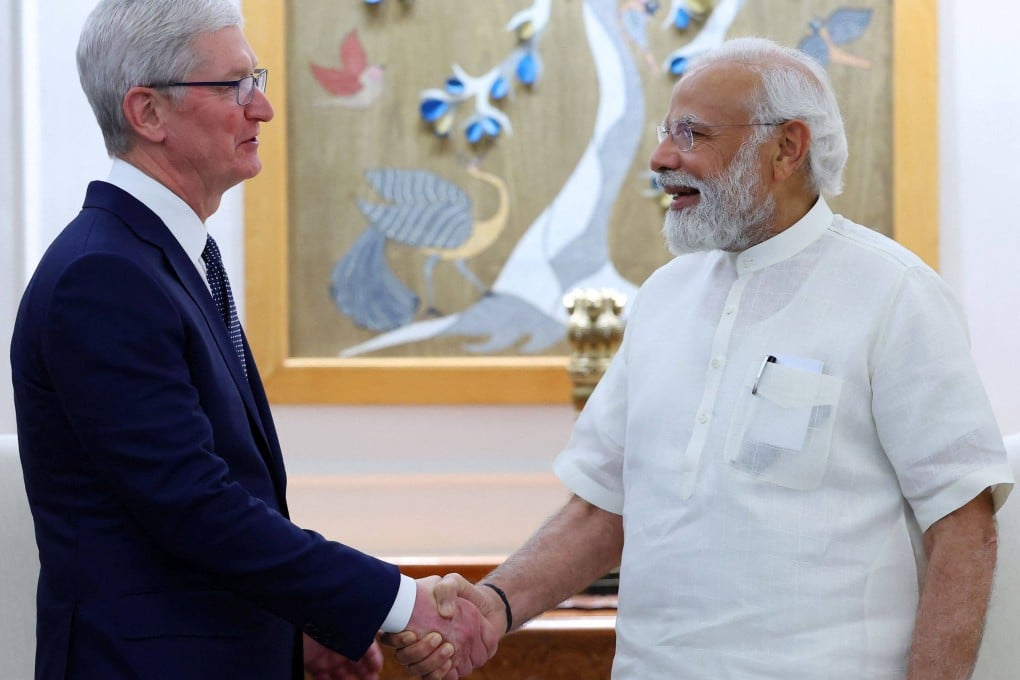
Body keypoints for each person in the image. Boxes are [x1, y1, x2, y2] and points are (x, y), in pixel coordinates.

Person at [390, 36, 1015, 679]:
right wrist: (493, 607)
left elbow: (963, 530)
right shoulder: (664, 297)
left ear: (787, 147)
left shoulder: (895, 294)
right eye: (666, 132)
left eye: (692, 134)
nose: (662, 158)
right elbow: (601, 508)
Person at [8, 1, 498, 678]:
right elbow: (194, 505)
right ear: (147, 112)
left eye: (256, 79)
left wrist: (295, 626)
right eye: (232, 86)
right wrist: (398, 601)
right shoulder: (104, 276)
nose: (262, 108)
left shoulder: (163, 259)